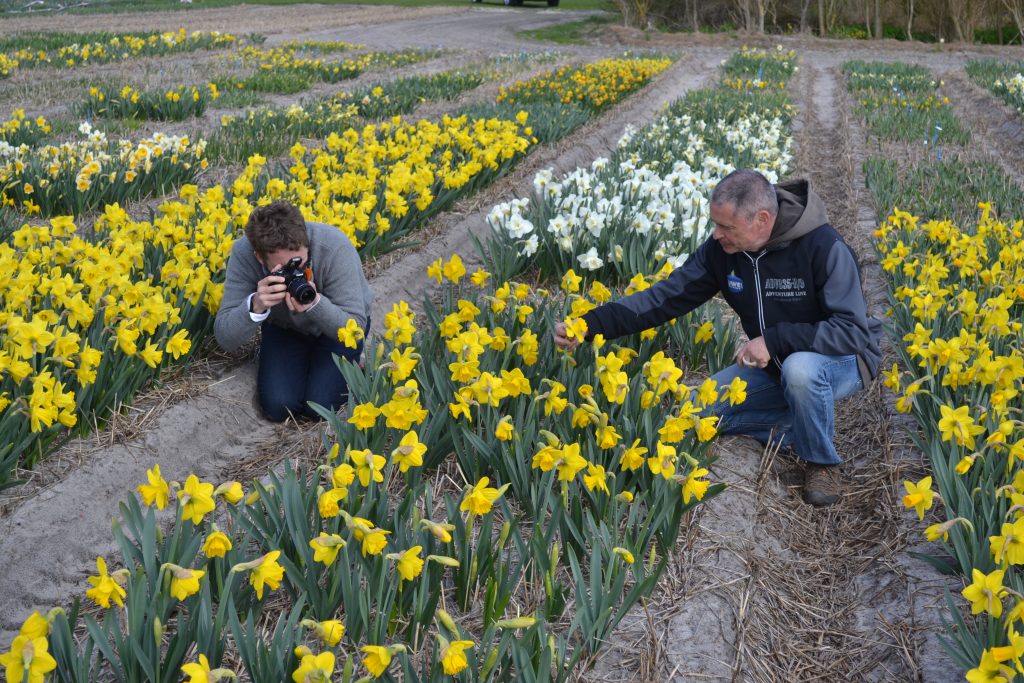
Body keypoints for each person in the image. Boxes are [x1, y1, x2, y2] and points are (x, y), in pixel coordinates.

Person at [554, 169, 882, 507]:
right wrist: (590, 325)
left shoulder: (823, 246)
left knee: (801, 371)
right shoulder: (722, 251)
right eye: (715, 224)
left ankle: (821, 462)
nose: (716, 235)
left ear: (762, 219)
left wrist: (774, 341)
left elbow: (851, 330)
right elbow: (663, 298)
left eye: (726, 227)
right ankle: (800, 423)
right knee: (697, 414)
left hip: (841, 359)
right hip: (776, 365)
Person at [214, 201, 373, 422]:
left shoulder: (333, 247)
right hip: (285, 327)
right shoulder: (244, 254)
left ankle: (356, 367)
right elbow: (225, 338)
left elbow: (354, 327)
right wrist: (256, 305)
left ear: (306, 241)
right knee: (279, 407)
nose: (294, 273)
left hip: (339, 329)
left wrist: (315, 304)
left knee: (321, 406)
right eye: (284, 269)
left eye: (300, 262)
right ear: (260, 257)